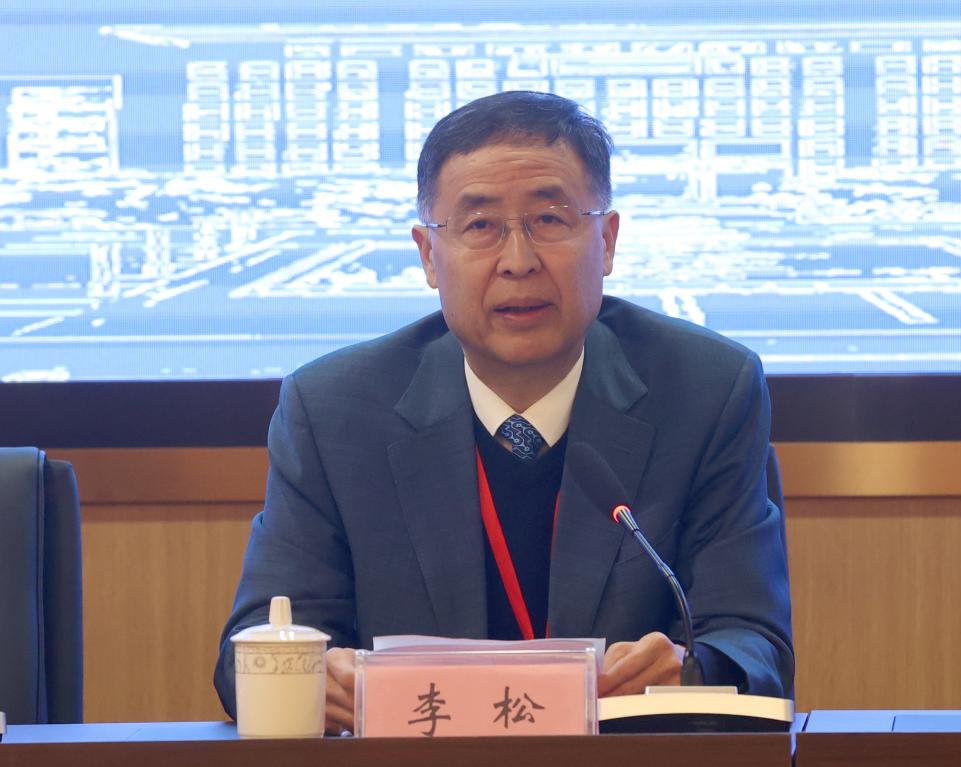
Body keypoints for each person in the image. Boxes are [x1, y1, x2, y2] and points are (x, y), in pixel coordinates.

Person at [214, 90, 794, 731]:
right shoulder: (334, 411)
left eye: (549, 219)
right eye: (480, 226)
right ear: (429, 255)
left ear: (606, 241)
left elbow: (755, 648)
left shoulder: (706, 392)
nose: (518, 262)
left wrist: (690, 672)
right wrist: (306, 677)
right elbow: (253, 648)